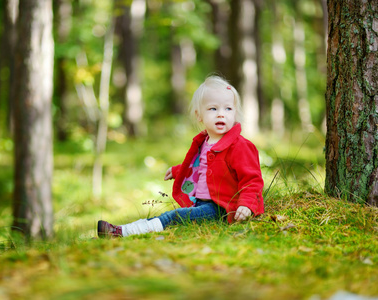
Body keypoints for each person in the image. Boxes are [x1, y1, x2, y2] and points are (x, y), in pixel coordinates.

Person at [97, 75, 264, 238]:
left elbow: (252, 180)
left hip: (222, 207)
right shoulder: (205, 142)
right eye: (213, 109)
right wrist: (178, 171)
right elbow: (201, 167)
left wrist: (246, 205)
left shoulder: (239, 146)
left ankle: (122, 232)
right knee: (172, 215)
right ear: (199, 115)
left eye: (228, 109)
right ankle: (123, 229)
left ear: (235, 113)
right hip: (202, 202)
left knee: (175, 216)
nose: (221, 114)